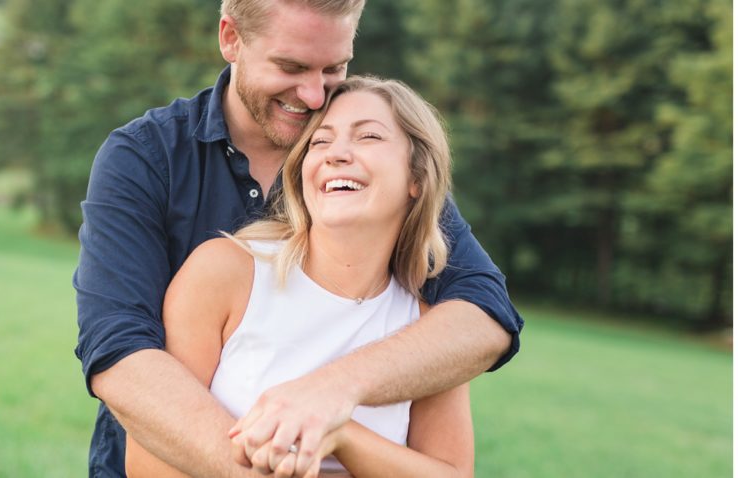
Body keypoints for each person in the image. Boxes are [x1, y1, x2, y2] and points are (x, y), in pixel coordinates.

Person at [74, 0, 523, 476]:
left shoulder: (376, 179)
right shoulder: (147, 159)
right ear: (230, 38)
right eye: (291, 67)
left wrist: (333, 392)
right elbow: (118, 348)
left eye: (335, 67)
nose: (314, 96)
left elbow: (485, 311)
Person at [126, 76, 474, 477]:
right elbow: (147, 462)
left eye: (368, 137)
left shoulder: (430, 323)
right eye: (320, 142)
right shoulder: (225, 272)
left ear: (417, 178)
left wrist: (342, 433)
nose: (336, 154)